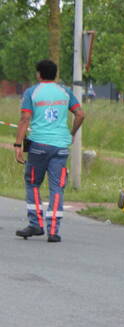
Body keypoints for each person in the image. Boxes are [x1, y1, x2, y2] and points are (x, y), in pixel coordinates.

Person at [15, 59, 85, 243]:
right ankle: (53, 231)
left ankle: (36, 224)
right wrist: (71, 133)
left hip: (38, 146)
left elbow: (25, 119)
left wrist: (18, 145)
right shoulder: (65, 92)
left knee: (33, 183)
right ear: (55, 74)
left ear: (39, 74)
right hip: (60, 147)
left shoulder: (32, 92)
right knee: (57, 187)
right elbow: (80, 114)